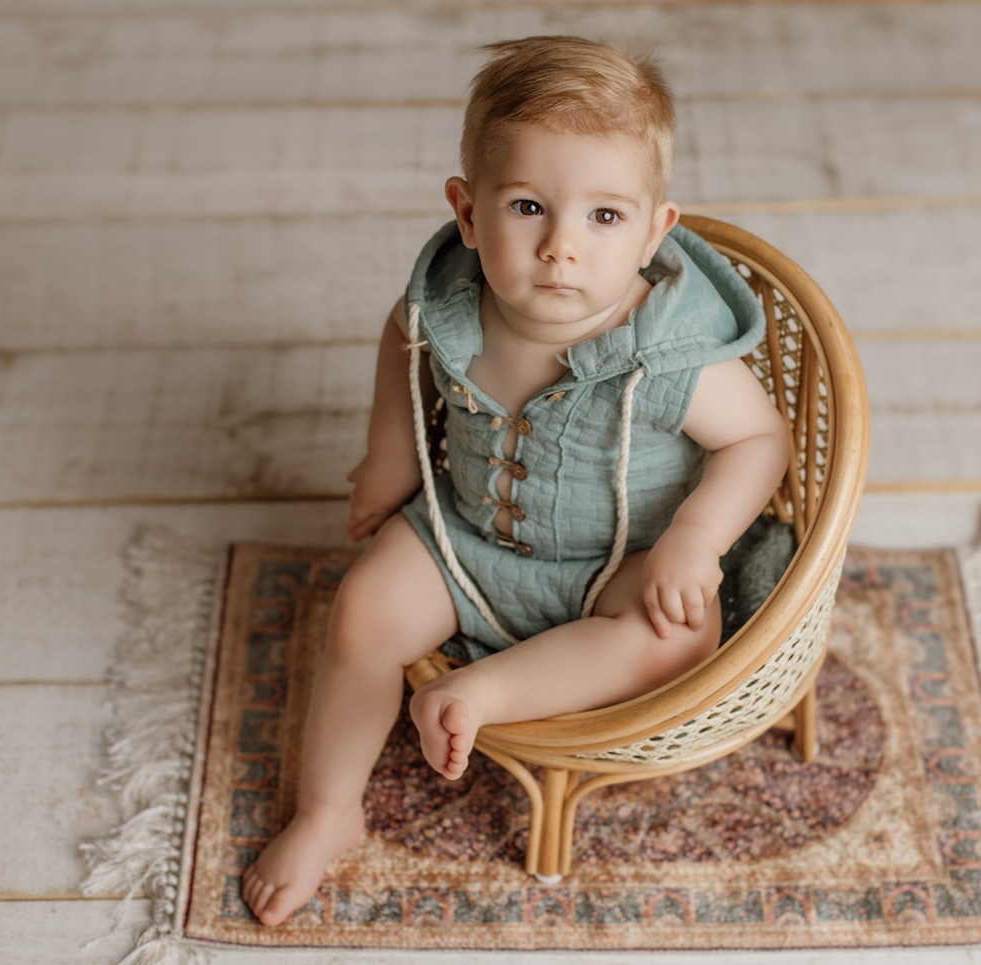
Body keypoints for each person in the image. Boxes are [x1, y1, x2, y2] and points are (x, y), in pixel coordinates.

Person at [241, 35, 790, 927]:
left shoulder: (668, 351)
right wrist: (387, 455)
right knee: (362, 612)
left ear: (657, 229)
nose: (560, 249)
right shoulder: (454, 306)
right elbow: (401, 338)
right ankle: (328, 809)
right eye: (529, 207)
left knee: (677, 636)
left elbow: (758, 440)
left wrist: (695, 539)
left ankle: (478, 692)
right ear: (466, 212)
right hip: (465, 537)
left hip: (621, 556)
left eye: (604, 218)